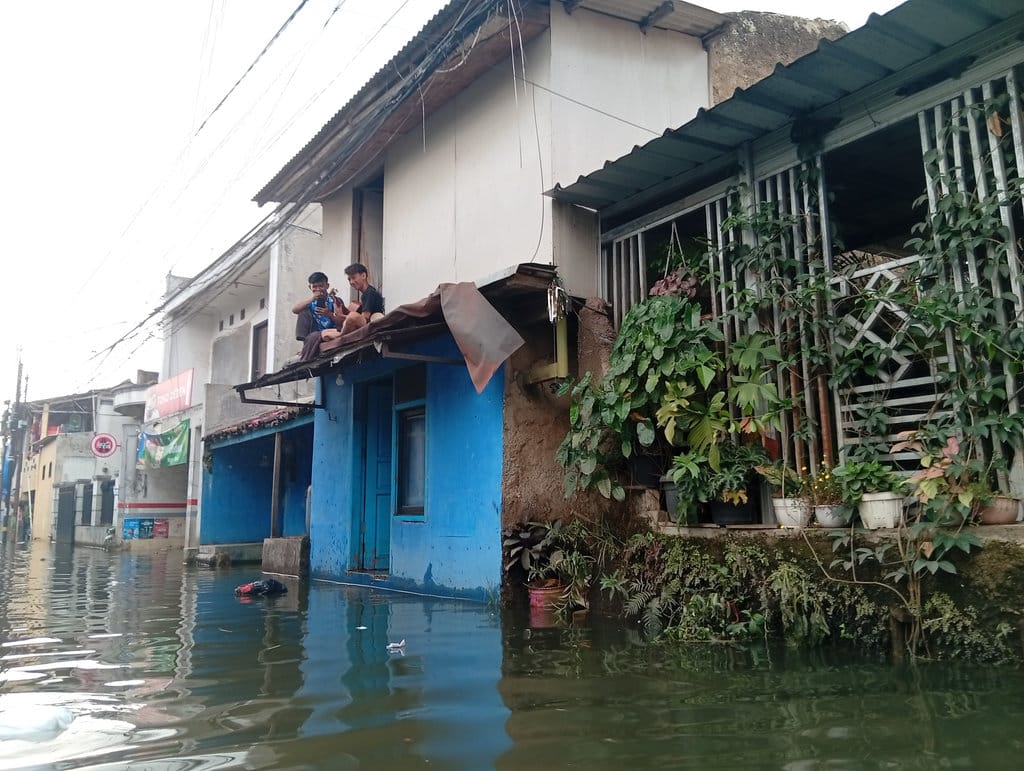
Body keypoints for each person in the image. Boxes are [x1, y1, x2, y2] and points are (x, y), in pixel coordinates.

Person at [322, 263, 385, 341]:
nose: (351, 282)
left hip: (371, 327)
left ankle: (341, 336)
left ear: (363, 276)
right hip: (363, 326)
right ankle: (341, 334)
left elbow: (364, 318)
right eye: (349, 279)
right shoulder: (365, 294)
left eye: (353, 278)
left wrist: (338, 316)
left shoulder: (370, 293)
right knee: (324, 332)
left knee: (353, 315)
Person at [291, 271, 347, 341]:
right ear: (310, 287)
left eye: (321, 286)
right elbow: (294, 310)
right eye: (314, 287)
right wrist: (312, 299)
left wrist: (329, 314)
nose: (318, 289)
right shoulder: (310, 302)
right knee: (303, 311)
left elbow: (342, 321)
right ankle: (304, 338)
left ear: (327, 286)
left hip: (332, 332)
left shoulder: (335, 300)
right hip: (315, 334)